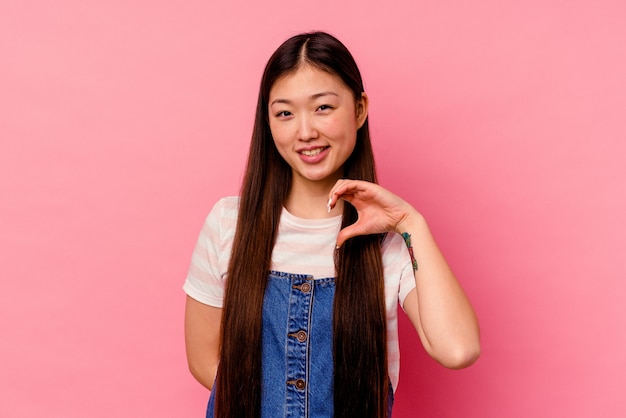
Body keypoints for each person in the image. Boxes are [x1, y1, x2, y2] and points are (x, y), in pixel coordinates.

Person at [183, 31, 480, 418]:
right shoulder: (229, 224)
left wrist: (411, 224)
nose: (305, 131)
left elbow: (458, 349)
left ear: (359, 109)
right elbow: (205, 361)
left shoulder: (387, 243)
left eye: (322, 107)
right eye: (285, 113)